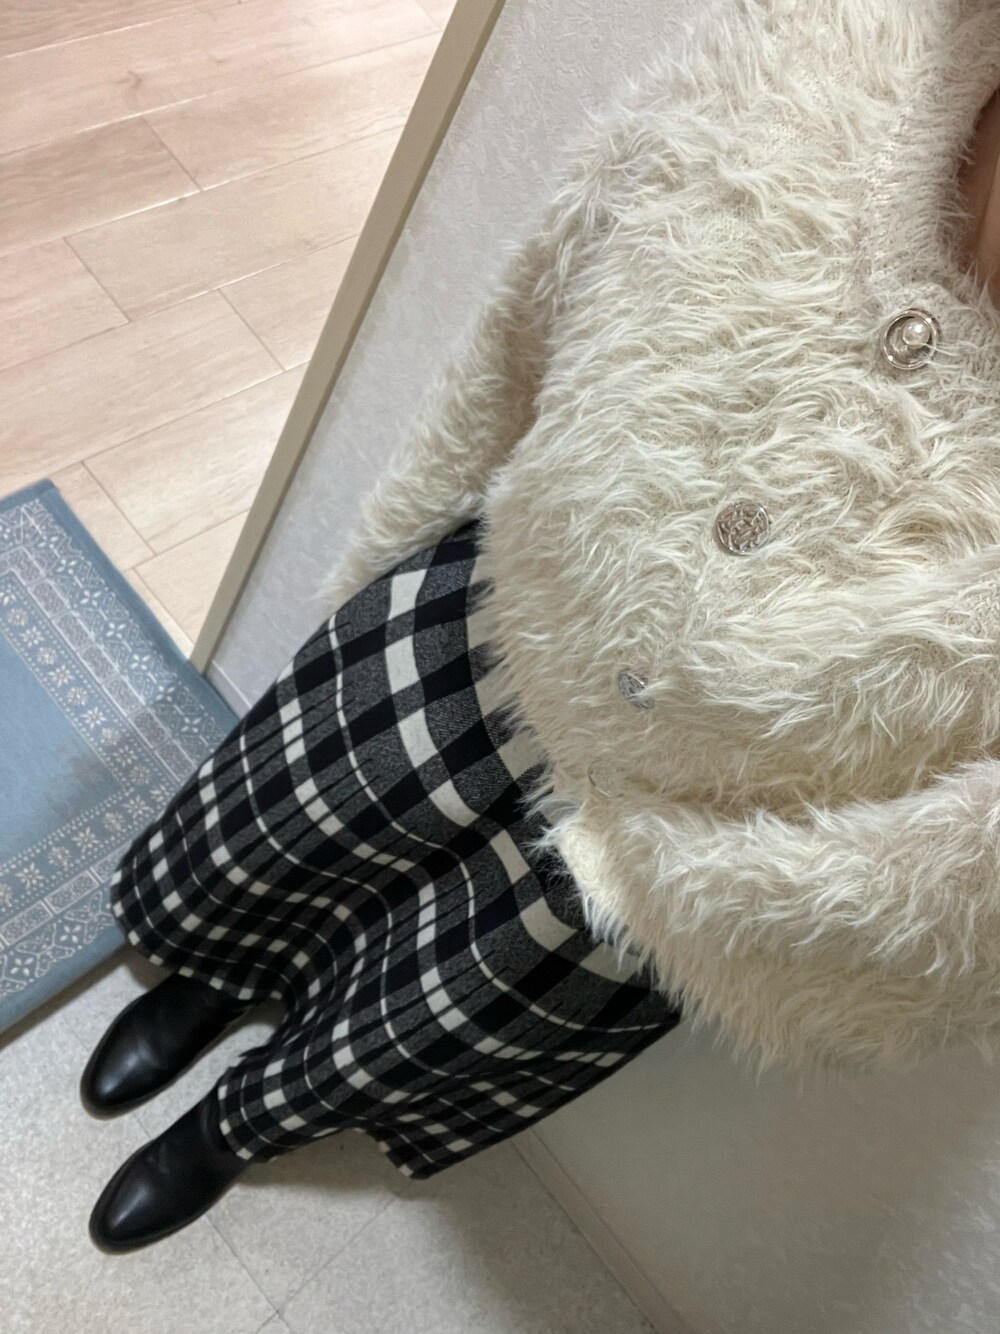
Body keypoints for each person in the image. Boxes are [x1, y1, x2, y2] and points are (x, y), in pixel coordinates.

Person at [83, 0, 1000, 1251]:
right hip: (499, 608)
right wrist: (412, 525)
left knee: (422, 1018)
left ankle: (240, 1123)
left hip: (677, 835)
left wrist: (716, 896)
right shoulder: (832, 33)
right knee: (298, 814)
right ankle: (218, 966)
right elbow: (546, 283)